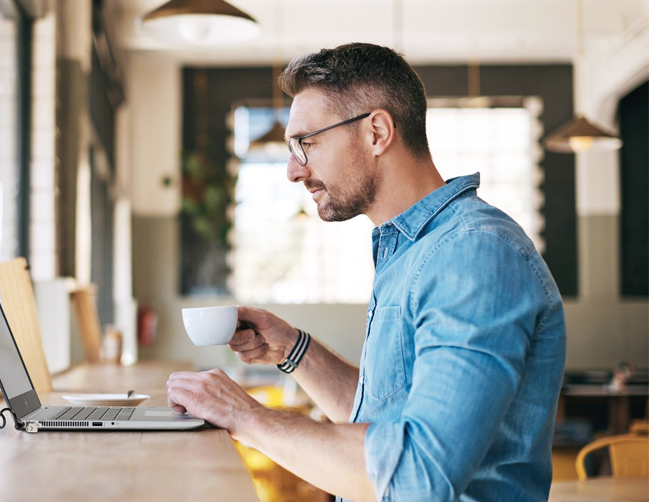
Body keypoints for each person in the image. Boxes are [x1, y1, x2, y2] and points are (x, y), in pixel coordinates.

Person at [166, 43, 566, 502]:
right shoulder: (413, 249)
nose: (294, 171)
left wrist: (244, 415)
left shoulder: (473, 254)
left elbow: (420, 475)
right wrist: (294, 350)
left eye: (305, 143)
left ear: (377, 132)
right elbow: (386, 419)